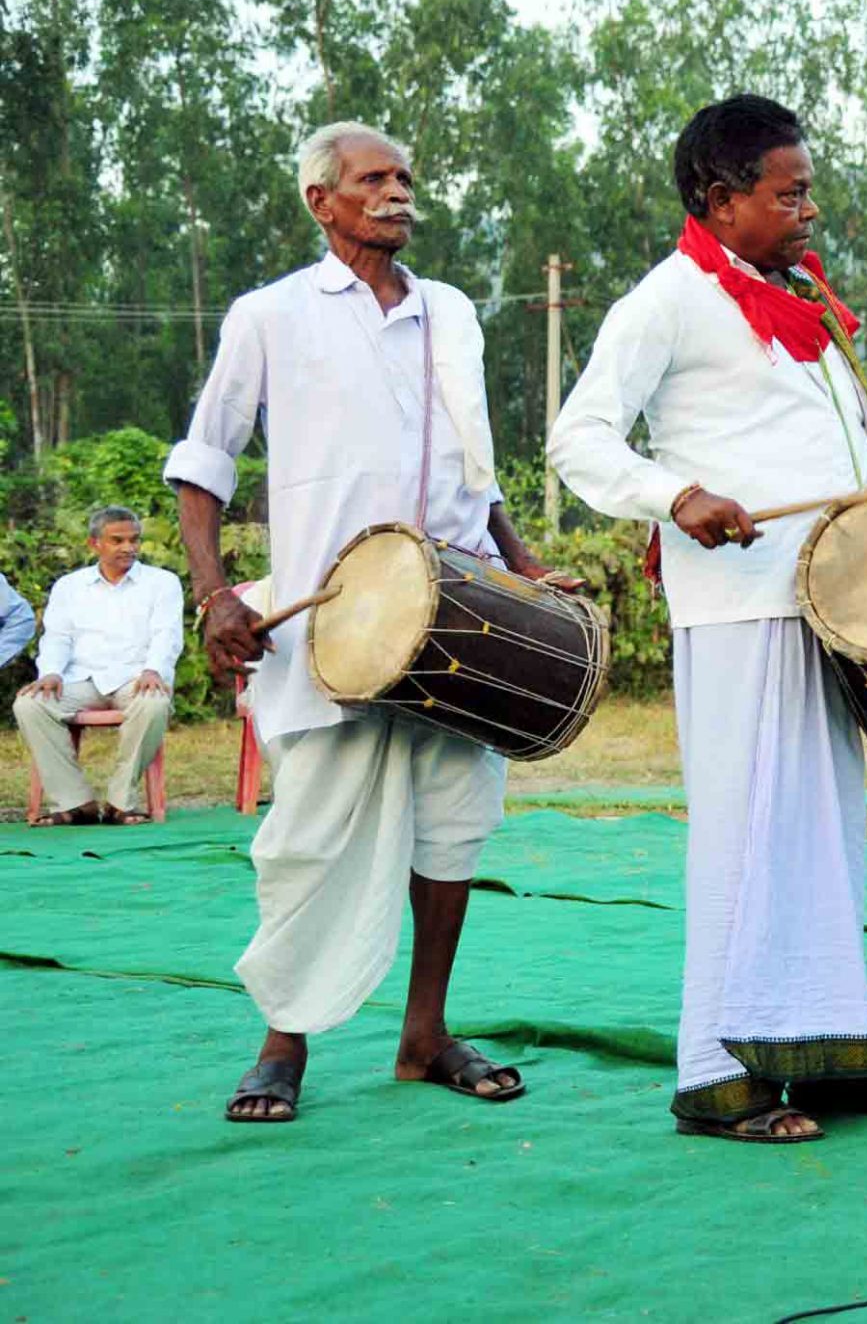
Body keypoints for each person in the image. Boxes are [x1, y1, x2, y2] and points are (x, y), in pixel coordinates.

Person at [549, 94, 867, 1143]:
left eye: (807, 187)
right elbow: (578, 439)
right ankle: (719, 1078)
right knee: (743, 838)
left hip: (823, 607)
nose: (808, 208)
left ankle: (828, 1054)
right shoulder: (667, 299)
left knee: (823, 837)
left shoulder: (792, 293)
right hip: (736, 612)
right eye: (787, 192)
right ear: (720, 202)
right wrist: (677, 496)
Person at [169, 121, 559, 1124]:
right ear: (321, 202)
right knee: (307, 835)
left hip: (461, 613)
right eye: (372, 179)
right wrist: (216, 597)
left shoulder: (453, 313)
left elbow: (478, 465)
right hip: (333, 622)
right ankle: (281, 1043)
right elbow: (205, 464)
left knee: (454, 825)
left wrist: (521, 566)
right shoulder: (271, 316)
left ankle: (424, 1037)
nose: (397, 193)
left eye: (404, 178)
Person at [13, 507, 182, 825]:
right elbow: (57, 637)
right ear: (95, 545)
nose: (128, 547)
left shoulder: (162, 583)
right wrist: (50, 672)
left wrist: (153, 669)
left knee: (154, 703)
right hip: (82, 678)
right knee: (29, 704)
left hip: (137, 676)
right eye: (117, 540)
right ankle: (76, 803)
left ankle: (121, 803)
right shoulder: (69, 586)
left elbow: (167, 634)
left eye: (134, 540)